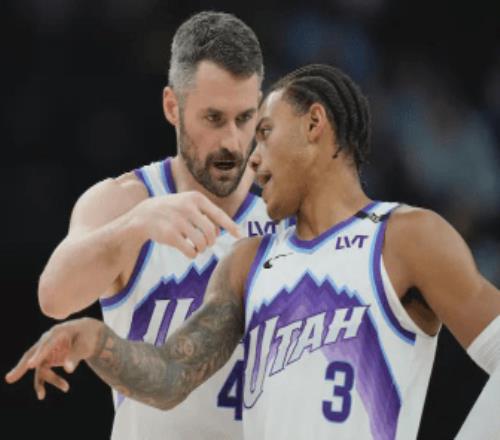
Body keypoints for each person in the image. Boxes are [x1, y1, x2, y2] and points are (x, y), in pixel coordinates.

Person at [7, 64, 500, 439]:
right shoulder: (247, 262)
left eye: (263, 132)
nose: (251, 157)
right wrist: (96, 340)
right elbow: (171, 375)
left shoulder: (406, 237)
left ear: (315, 123)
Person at [7, 11, 284, 440]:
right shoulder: (127, 201)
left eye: (244, 118)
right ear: (173, 106)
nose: (231, 141)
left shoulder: (287, 210)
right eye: (213, 119)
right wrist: (134, 226)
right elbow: (54, 297)